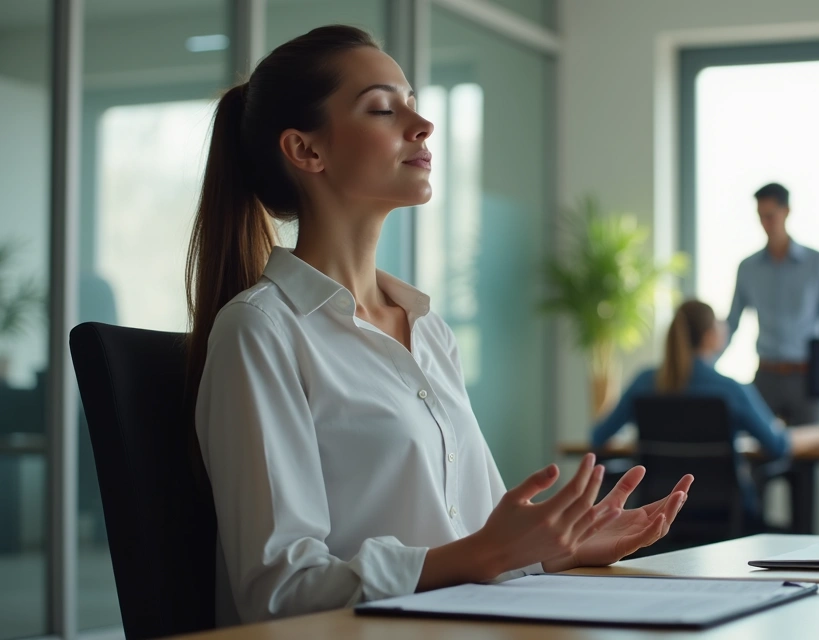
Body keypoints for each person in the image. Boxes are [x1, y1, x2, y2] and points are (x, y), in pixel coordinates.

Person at [185, 26, 693, 626]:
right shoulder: (261, 331)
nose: (421, 125)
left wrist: (557, 549)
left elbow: (474, 539)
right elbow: (278, 593)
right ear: (305, 151)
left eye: (413, 103)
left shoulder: (428, 330)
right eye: (382, 108)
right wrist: (491, 551)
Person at [591, 300, 819, 517]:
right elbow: (777, 445)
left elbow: (598, 436)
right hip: (726, 513)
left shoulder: (644, 382)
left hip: (656, 512)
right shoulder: (729, 389)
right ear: (709, 335)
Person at [726, 182, 819, 425]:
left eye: (770, 216)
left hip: (805, 376)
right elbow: (732, 322)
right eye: (760, 217)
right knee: (757, 453)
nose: (766, 224)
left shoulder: (817, 263)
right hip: (766, 376)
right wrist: (701, 368)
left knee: (809, 452)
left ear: (786, 211)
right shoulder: (748, 268)